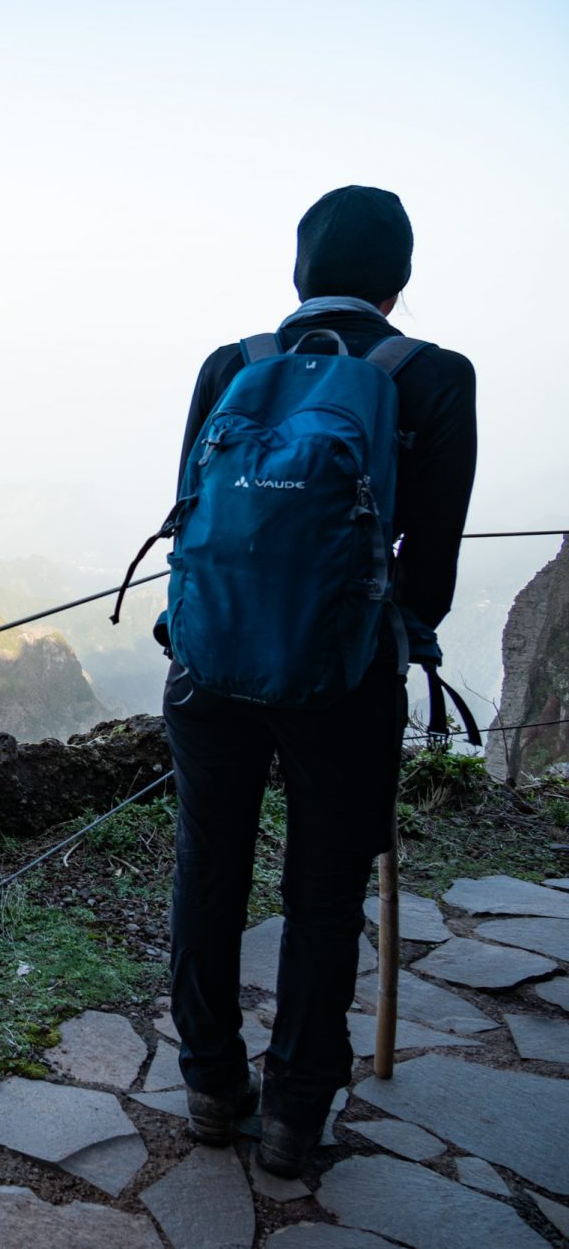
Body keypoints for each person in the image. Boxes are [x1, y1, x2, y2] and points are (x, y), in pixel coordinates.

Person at [162, 185, 477, 1175]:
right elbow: (428, 574)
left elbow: (186, 515)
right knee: (319, 887)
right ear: (399, 278)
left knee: (205, 866)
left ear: (299, 269)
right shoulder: (429, 376)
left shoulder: (234, 364)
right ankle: (297, 1107)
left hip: (209, 666)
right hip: (341, 676)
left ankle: (211, 1083)